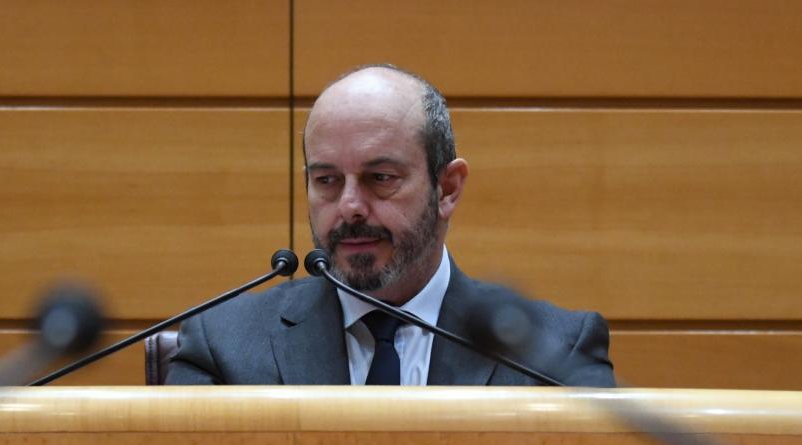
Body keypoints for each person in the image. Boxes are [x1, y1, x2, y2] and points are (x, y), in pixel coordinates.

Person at [165, 64, 614, 387]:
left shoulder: (554, 353)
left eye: (380, 178)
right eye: (326, 181)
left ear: (447, 188)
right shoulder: (224, 345)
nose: (350, 207)